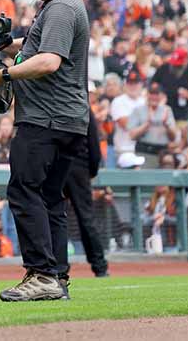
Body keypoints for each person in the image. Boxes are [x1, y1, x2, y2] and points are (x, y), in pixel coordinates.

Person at [0, 0, 91, 302]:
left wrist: (2, 74)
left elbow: (49, 61)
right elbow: (36, 46)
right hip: (66, 119)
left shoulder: (61, 7)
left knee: (24, 192)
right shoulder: (61, 4)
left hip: (46, 119)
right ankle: (56, 278)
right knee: (50, 197)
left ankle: (41, 274)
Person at [63, 112, 108, 279]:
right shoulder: (83, 107)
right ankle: (100, 266)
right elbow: (94, 143)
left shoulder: (53, 103)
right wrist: (92, 169)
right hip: (79, 166)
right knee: (86, 217)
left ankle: (58, 266)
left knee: (55, 217)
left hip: (58, 164)